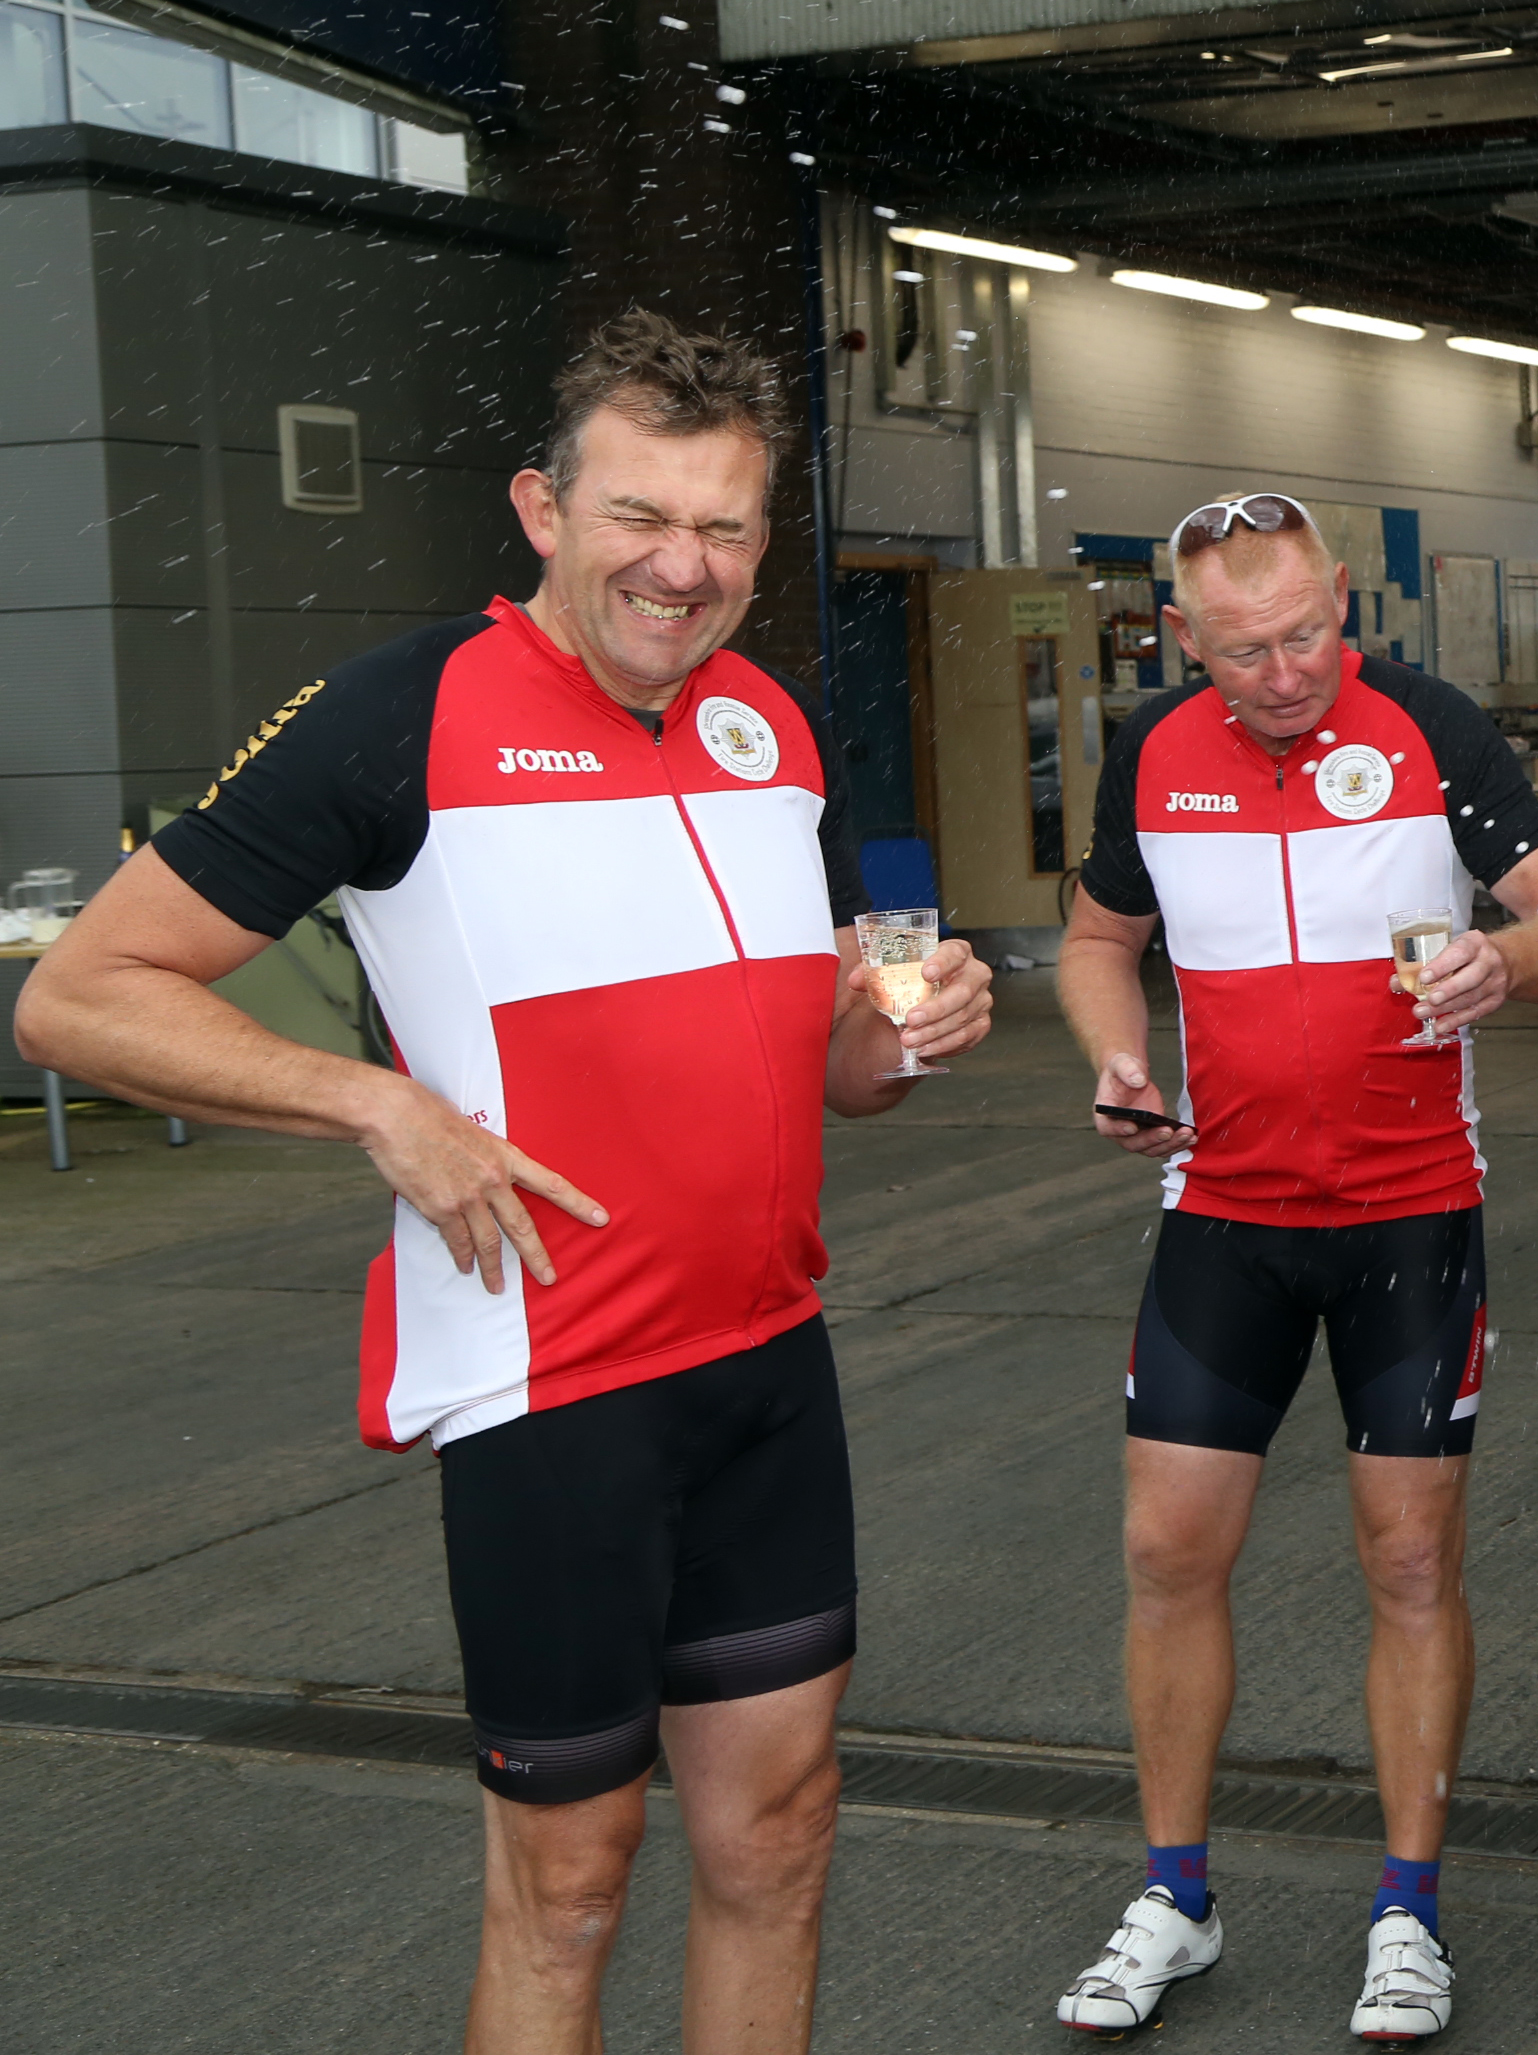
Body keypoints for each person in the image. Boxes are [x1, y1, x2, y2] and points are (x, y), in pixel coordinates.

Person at [12, 309, 991, 2054]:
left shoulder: (771, 722)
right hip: (557, 1389)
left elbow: (837, 1075)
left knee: (779, 1835)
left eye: (726, 528)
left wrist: (899, 1036)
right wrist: (377, 1104)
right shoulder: (401, 714)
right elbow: (76, 997)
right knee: (573, 1885)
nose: (681, 569)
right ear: (542, 508)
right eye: (639, 517)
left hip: (770, 1365)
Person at [1049, 490, 1538, 2042]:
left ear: (1344, 601)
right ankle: (1176, 1890)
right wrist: (1111, 1055)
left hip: (1409, 1210)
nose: (1288, 671)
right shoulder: (1153, 751)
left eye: (1307, 633)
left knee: (1410, 1560)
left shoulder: (1432, 727)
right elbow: (1098, 937)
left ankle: (1408, 1909)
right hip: (1219, 1205)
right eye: (1246, 650)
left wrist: (1512, 956)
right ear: (1184, 640)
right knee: (1167, 1550)